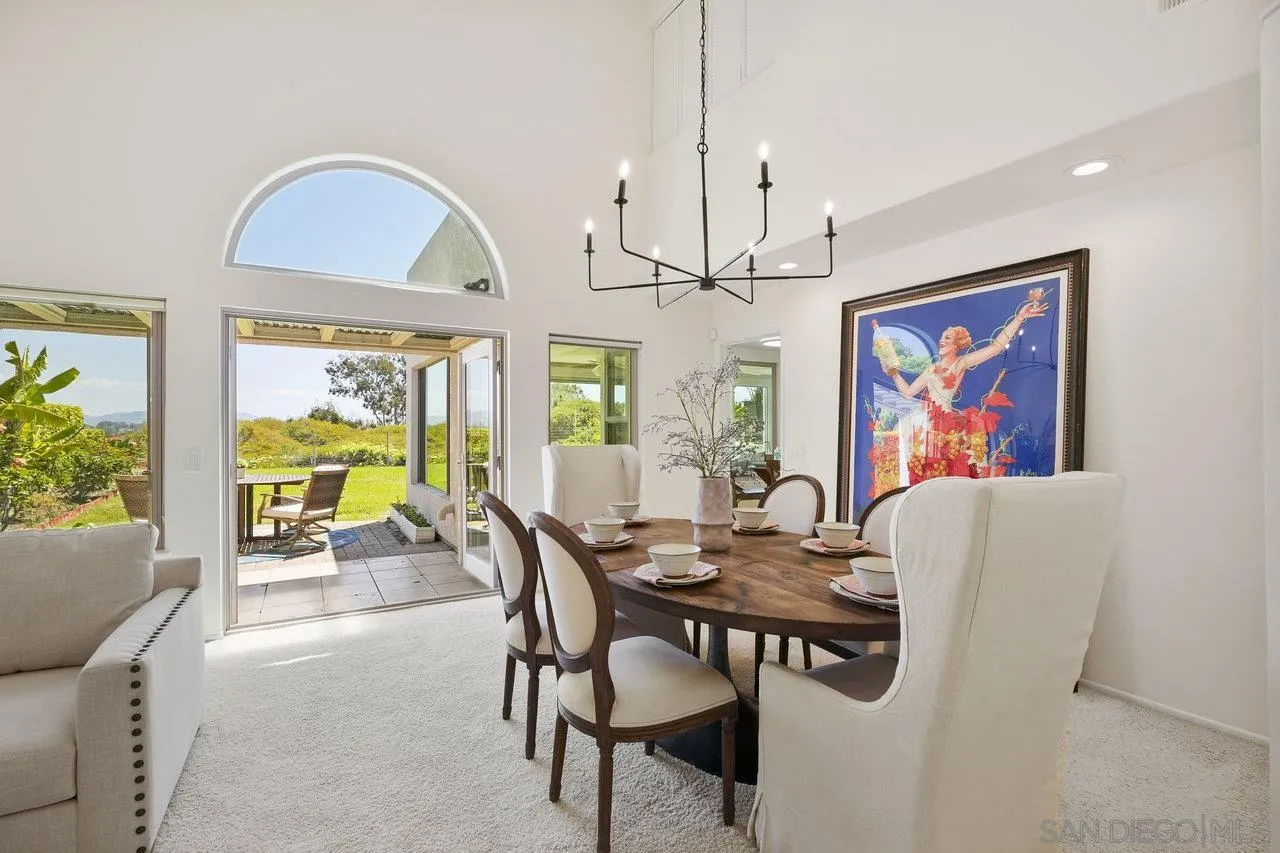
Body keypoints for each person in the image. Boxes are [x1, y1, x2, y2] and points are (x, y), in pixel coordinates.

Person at [874, 290, 1048, 487]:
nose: (942, 340)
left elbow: (995, 348)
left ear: (957, 344)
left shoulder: (960, 363)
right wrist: (894, 374)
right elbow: (908, 393)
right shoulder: (931, 369)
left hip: (947, 425)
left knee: (948, 472)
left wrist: (1019, 318)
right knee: (921, 473)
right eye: (942, 337)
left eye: (947, 338)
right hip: (923, 425)